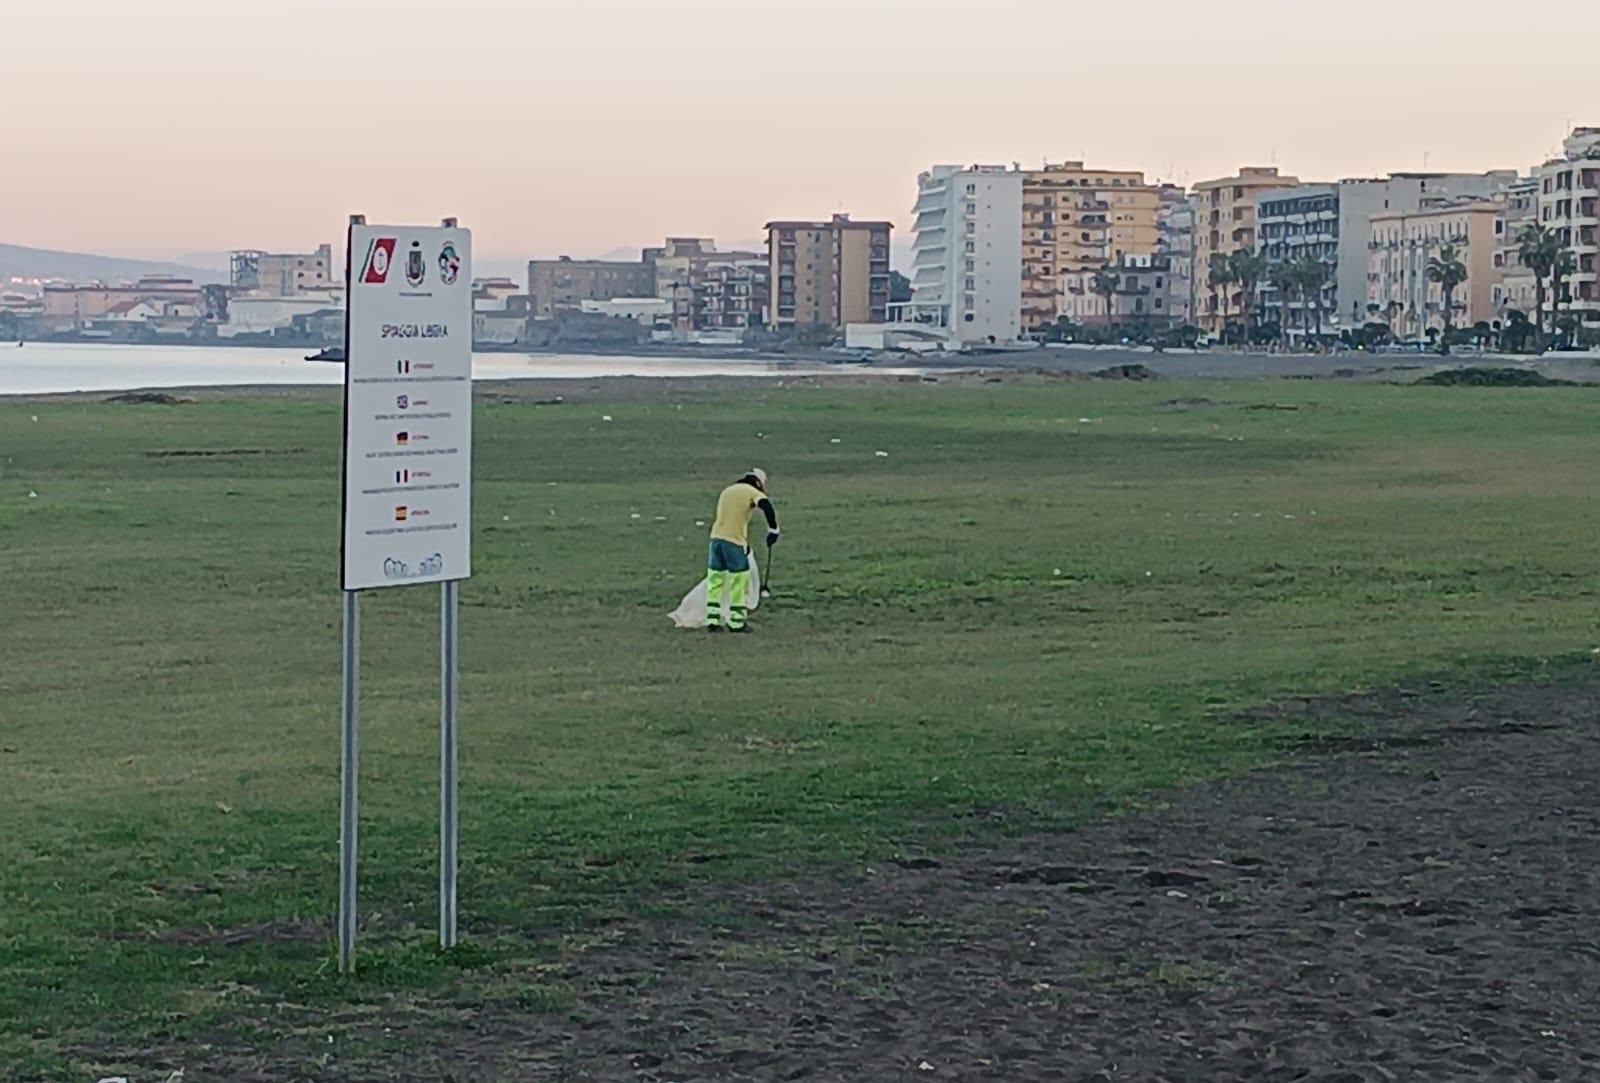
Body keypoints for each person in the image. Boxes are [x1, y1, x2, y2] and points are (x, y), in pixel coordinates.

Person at [706, 468, 778, 633]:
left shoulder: (728, 490)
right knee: (738, 581)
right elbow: (766, 506)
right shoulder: (751, 492)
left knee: (715, 580)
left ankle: (712, 618)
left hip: (716, 539)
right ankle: (737, 622)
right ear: (758, 483)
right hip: (734, 542)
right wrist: (774, 530)